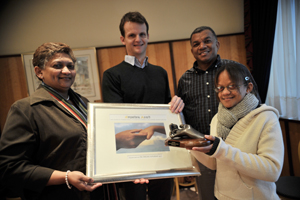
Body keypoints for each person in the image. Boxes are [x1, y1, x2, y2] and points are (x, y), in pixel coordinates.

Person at [0, 42, 148, 200]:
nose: (66, 71)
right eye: (57, 65)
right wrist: (65, 177)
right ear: (39, 72)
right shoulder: (26, 109)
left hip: (99, 193)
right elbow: (10, 167)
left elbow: (91, 147)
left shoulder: (84, 103)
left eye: (70, 66)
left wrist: (128, 169)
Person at [102, 12, 184, 200]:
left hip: (162, 152)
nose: (138, 39)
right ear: (123, 39)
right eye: (132, 35)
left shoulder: (160, 73)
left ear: (148, 36)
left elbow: (167, 112)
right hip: (131, 156)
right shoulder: (112, 75)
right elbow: (116, 119)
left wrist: (176, 104)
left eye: (142, 34)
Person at [191, 62, 284, 200]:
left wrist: (222, 149)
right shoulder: (217, 119)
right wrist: (191, 146)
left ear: (248, 87)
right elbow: (215, 163)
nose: (225, 92)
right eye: (220, 88)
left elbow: (272, 171)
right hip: (222, 196)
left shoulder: (266, 118)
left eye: (232, 86)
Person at [177, 26, 241, 200]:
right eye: (196, 44)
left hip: (235, 148)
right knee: (208, 196)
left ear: (217, 44)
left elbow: (253, 103)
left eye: (207, 41)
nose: (202, 46)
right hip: (203, 151)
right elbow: (181, 115)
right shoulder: (185, 79)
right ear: (192, 50)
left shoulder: (235, 70)